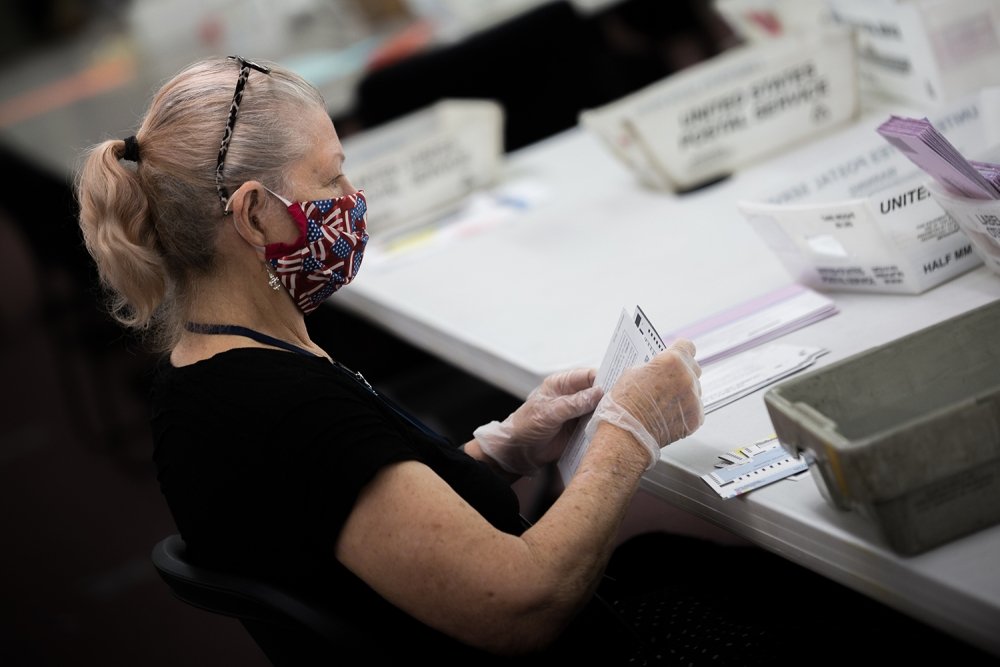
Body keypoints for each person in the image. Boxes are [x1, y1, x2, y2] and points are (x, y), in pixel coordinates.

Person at [74, 55, 796, 665]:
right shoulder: (281, 411)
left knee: (683, 562)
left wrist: (503, 447)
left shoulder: (204, 370)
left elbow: (361, 523)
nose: (353, 201)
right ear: (256, 213)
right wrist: (627, 434)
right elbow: (523, 602)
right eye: (330, 181)